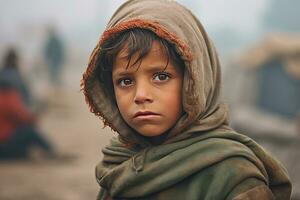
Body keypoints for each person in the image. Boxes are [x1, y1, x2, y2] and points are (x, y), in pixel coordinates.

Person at [81, 0, 292, 199]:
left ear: (195, 81)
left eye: (161, 77)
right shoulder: (118, 163)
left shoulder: (232, 174)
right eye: (125, 81)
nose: (140, 95)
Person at [0, 79, 54, 159]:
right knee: (29, 131)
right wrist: (38, 113)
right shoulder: (8, 98)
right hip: (4, 144)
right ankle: (51, 151)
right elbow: (25, 119)